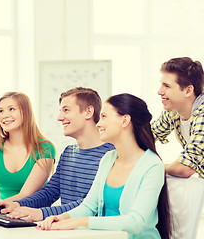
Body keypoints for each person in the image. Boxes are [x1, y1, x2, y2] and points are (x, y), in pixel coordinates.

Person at [37, 93, 172, 239]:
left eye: (104, 117)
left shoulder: (152, 166)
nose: (98, 124)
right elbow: (89, 206)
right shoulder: (108, 159)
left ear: (125, 120)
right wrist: (62, 218)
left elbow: (135, 222)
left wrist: (79, 222)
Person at [0, 87, 114, 220]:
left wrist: (42, 213)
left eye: (66, 110)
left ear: (88, 112)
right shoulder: (69, 153)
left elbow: (90, 204)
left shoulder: (112, 155)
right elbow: (49, 193)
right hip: (65, 229)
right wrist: (15, 204)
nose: (59, 118)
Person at [0, 92, 55, 205]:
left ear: (26, 112)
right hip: (3, 213)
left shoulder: (45, 149)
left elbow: (26, 194)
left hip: (35, 215)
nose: (4, 115)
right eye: (1, 111)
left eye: (12, 109)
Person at [151, 57, 204, 178]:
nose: (160, 91)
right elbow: (147, 135)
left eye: (167, 86)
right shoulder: (173, 111)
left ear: (188, 90)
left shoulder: (202, 114)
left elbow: (185, 168)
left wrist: (153, 169)